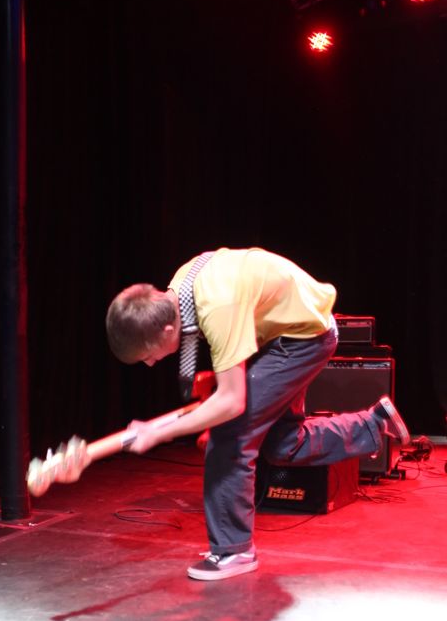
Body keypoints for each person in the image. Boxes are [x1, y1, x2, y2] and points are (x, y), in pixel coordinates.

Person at [105, 247, 410, 581]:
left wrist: (157, 431)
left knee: (230, 437)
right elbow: (229, 355)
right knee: (283, 444)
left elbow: (231, 402)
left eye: (148, 355)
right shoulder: (180, 288)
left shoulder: (217, 304)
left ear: (165, 331)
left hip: (303, 339)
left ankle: (234, 550)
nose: (151, 363)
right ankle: (374, 424)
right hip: (285, 334)